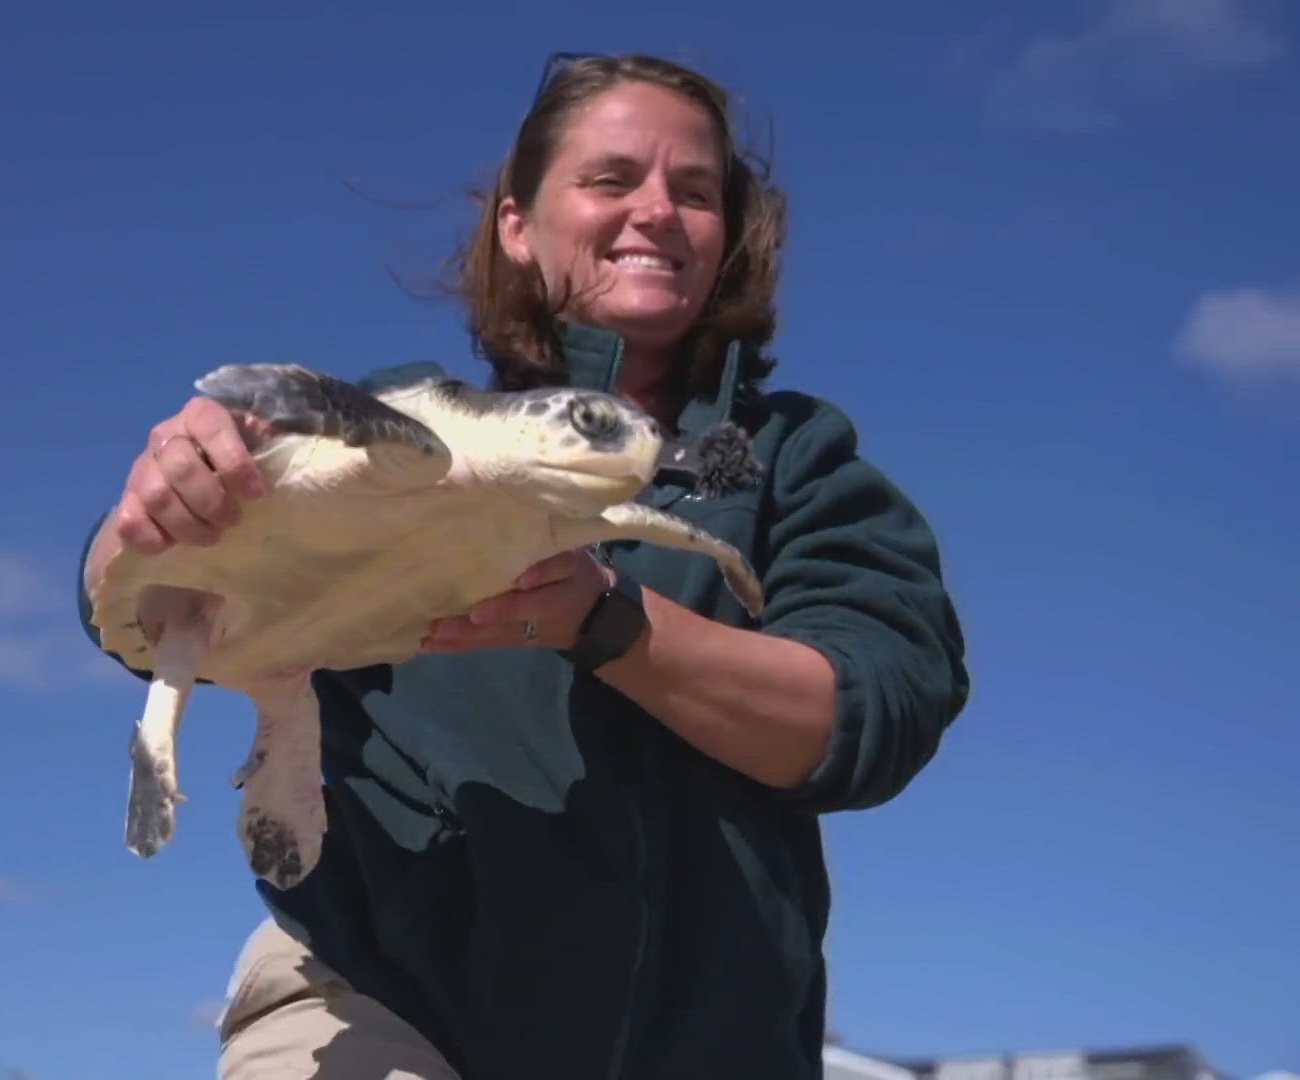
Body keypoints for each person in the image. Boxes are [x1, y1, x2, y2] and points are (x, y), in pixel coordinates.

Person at [75, 51, 969, 1079]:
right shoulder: (400, 418)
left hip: (705, 1040)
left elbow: (872, 720)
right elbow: (135, 609)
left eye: (695, 191)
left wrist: (607, 618)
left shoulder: (794, 460)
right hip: (383, 988)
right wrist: (164, 494)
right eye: (609, 180)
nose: (657, 213)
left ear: (730, 236)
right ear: (517, 224)